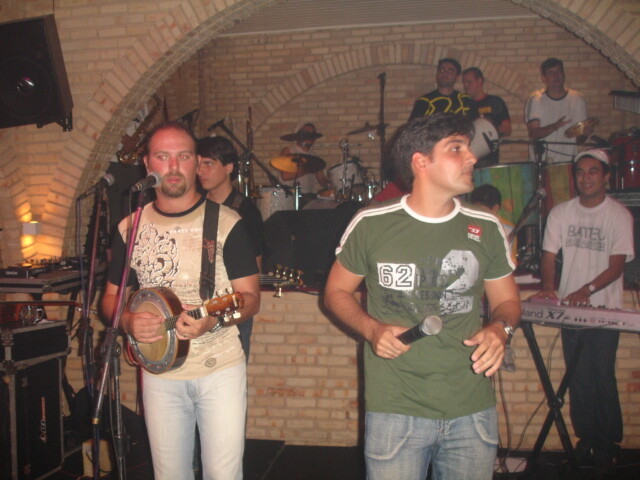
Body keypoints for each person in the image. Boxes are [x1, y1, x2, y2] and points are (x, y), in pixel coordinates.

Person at [324, 113, 521, 480]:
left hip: (471, 408)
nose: (472, 157)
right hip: (395, 409)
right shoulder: (372, 224)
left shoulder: (486, 226)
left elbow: (507, 303)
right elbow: (336, 291)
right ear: (421, 161)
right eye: (456, 148)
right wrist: (372, 329)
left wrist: (500, 329)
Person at [101, 121, 260, 480]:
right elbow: (110, 299)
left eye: (183, 156)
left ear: (196, 163)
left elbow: (250, 299)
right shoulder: (129, 227)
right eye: (163, 156)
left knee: (222, 474)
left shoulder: (227, 223)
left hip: (218, 369)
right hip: (158, 373)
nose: (173, 167)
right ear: (147, 164)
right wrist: (127, 321)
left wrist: (213, 319)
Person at [533, 148, 635, 468]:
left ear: (605, 177)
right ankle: (586, 440)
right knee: (577, 376)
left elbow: (616, 267)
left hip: (604, 308)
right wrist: (549, 287)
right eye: (580, 172)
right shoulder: (560, 212)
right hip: (571, 310)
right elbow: (548, 255)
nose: (586, 177)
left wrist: (586, 290)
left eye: (593, 171)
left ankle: (609, 442)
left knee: (601, 374)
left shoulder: (618, 215)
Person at [197, 135, 264, 359]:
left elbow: (254, 269)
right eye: (198, 164)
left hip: (231, 306)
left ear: (228, 167)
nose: (200, 171)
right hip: (196, 304)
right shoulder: (195, 206)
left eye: (208, 163)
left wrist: (218, 314)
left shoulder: (245, 211)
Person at [524, 57, 590, 164]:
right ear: (543, 78)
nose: (556, 76)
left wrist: (585, 134)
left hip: (568, 163)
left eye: (559, 71)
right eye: (551, 73)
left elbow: (579, 141)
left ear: (564, 74)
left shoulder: (577, 99)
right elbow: (534, 133)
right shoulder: (535, 99)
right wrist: (554, 126)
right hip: (542, 163)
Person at [462, 67, 511, 166]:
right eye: (464, 83)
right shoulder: (463, 104)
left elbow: (507, 129)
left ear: (480, 81)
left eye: (469, 82)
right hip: (467, 160)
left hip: (490, 159)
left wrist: (488, 127)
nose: (466, 86)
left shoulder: (494, 102)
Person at [408, 58, 478, 120]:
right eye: (441, 70)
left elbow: (476, 126)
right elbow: (413, 128)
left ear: (457, 77)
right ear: (437, 74)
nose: (445, 73)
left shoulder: (466, 101)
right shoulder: (424, 101)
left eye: (450, 71)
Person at [277, 122, 329, 198]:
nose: (309, 136)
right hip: (290, 195)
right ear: (299, 135)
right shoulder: (289, 151)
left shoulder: (313, 155)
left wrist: (333, 184)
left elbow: (321, 179)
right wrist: (307, 169)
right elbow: (285, 176)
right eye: (306, 133)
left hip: (308, 196)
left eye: (312, 134)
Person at [470, 184, 517, 262]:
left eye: (481, 211)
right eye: (474, 210)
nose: (477, 214)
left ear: (495, 208)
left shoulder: (508, 228)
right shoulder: (470, 225)